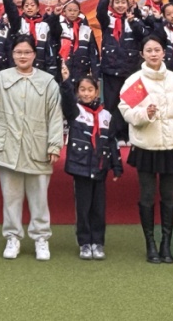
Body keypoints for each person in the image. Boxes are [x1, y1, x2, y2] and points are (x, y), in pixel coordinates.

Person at [0, 35, 63, 261]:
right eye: (18, 52)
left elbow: (55, 115)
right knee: (11, 196)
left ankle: (41, 238)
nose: (22, 56)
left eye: (27, 52)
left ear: (34, 54)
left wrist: (54, 144)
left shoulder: (48, 81)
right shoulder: (2, 76)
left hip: (38, 146)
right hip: (9, 146)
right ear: (12, 54)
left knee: (39, 197)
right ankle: (12, 237)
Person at [118, 34, 173, 264]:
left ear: (164, 53)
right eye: (149, 50)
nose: (153, 54)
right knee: (147, 195)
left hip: (172, 146)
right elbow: (126, 111)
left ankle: (166, 244)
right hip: (146, 146)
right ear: (142, 54)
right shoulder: (136, 81)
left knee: (169, 196)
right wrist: (145, 114)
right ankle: (150, 244)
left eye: (157, 50)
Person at [59, 64, 121, 260]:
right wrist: (66, 82)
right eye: (82, 90)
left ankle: (98, 242)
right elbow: (67, 101)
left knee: (99, 208)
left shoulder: (106, 115)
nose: (86, 93)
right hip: (81, 167)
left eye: (90, 90)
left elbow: (111, 142)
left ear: (97, 92)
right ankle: (85, 242)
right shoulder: (75, 111)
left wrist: (117, 166)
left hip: (100, 167)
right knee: (83, 207)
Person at [96, 0, 146, 144]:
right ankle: (113, 135)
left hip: (130, 70)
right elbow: (100, 12)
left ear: (127, 4)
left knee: (129, 102)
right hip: (111, 69)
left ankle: (127, 134)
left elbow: (142, 36)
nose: (120, 5)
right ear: (112, 4)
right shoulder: (107, 20)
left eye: (123, 2)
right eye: (116, 2)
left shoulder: (134, 19)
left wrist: (133, 21)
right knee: (111, 104)